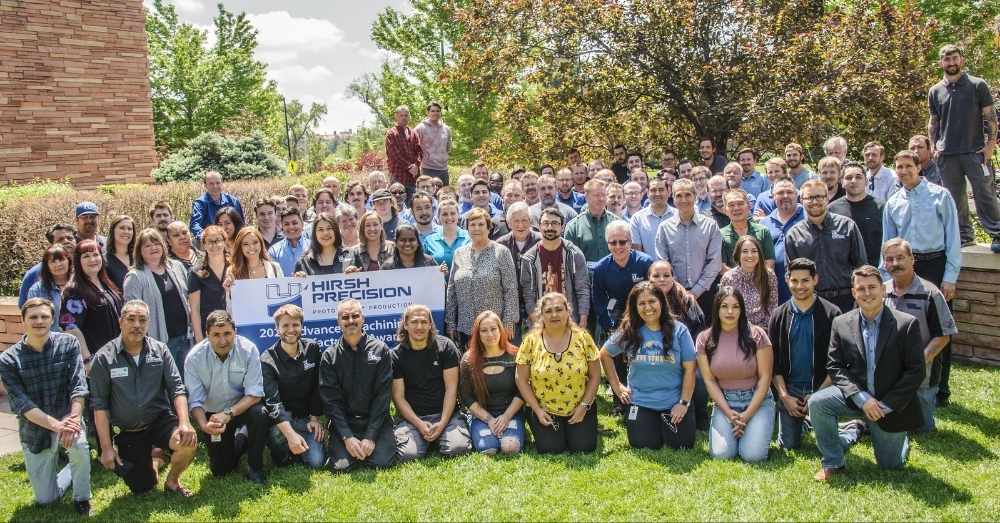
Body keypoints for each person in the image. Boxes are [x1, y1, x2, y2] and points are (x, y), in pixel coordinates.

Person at [808, 266, 925, 481]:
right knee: (817, 402)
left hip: (889, 406)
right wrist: (862, 399)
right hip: (855, 397)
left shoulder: (906, 324)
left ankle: (902, 439)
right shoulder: (841, 323)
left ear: (883, 290)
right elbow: (835, 366)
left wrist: (884, 405)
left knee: (891, 466)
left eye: (872, 287)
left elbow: (916, 372)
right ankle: (834, 461)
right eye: (861, 288)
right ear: (853, 292)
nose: (867, 293)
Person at [90, 300, 198, 497]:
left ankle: (173, 481)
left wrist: (184, 422)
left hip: (158, 420)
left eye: (142, 320)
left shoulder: (160, 350)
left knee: (187, 442)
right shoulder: (104, 358)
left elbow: (177, 389)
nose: (137, 325)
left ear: (148, 323)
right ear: (120, 321)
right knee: (143, 486)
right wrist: (106, 448)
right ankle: (156, 459)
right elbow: (100, 406)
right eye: (131, 319)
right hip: (129, 430)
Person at [0, 298, 91, 515]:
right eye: (33, 317)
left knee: (78, 446)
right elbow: (23, 404)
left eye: (44, 316)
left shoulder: (68, 344)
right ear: (23, 321)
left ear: (52, 320)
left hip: (69, 418)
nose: (39, 321)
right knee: (46, 500)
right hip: (35, 428)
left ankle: (82, 497)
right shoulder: (8, 360)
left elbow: (78, 386)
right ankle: (71, 470)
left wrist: (74, 420)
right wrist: (59, 427)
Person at [601, 282, 697, 449]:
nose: (648, 307)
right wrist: (617, 387)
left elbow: (690, 369)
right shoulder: (629, 330)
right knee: (643, 444)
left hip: (673, 401)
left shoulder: (679, 330)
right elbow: (604, 354)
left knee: (682, 444)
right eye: (642, 303)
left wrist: (683, 403)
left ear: (661, 302)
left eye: (652, 301)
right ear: (635, 307)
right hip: (641, 401)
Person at [185, 310, 269, 484]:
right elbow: (195, 401)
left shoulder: (248, 349)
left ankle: (255, 467)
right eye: (216, 335)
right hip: (213, 416)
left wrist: (229, 413)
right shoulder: (194, 358)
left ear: (235, 332)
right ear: (207, 334)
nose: (223, 341)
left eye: (227, 334)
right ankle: (243, 437)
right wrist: (204, 425)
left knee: (259, 413)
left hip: (241, 409)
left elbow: (254, 394)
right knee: (221, 469)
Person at [882, 239, 956, 433]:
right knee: (887, 424)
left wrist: (917, 363)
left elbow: (943, 336)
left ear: (912, 259)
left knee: (922, 429)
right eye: (889, 259)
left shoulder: (931, 293)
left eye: (900, 258)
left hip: (923, 372)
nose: (895, 263)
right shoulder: (881, 292)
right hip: (889, 372)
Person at [768, 258, 843, 450]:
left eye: (805, 280)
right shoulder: (778, 316)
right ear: (787, 280)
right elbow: (773, 363)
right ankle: (805, 423)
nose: (799, 286)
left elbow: (837, 362)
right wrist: (785, 397)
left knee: (829, 445)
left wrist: (817, 396)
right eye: (794, 281)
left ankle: (852, 429)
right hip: (790, 392)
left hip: (821, 389)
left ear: (815, 280)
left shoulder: (832, 314)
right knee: (789, 446)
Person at [696, 286, 775, 462]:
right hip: (725, 402)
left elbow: (765, 378)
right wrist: (730, 414)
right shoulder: (704, 339)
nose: (730, 311)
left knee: (752, 456)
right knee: (721, 455)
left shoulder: (757, 334)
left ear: (742, 309)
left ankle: (748, 431)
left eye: (736, 306)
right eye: (724, 306)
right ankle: (738, 432)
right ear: (716, 308)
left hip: (757, 400)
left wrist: (745, 416)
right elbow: (709, 381)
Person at [516, 292, 601, 454]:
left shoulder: (583, 338)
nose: (554, 314)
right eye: (548, 311)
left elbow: (596, 375)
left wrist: (584, 406)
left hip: (579, 406)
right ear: (541, 315)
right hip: (545, 409)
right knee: (551, 449)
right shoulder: (531, 341)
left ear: (568, 311)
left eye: (559, 309)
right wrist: (538, 410)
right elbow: (521, 379)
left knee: (583, 447)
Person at [320, 300, 397, 471]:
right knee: (341, 468)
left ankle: (376, 442)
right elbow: (331, 402)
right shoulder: (329, 355)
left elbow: (383, 396)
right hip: (346, 424)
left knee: (382, 463)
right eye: (345, 317)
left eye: (355, 316)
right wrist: (347, 437)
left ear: (363, 319)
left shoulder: (380, 350)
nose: (351, 321)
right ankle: (344, 445)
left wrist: (370, 437)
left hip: (375, 421)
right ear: (338, 322)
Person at [392, 305, 471, 461]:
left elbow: (451, 389)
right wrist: (420, 425)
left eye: (423, 322)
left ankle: (441, 435)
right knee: (408, 456)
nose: (419, 326)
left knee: (458, 449)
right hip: (412, 419)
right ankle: (429, 438)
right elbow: (398, 398)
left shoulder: (446, 347)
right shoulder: (396, 355)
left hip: (446, 415)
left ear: (430, 325)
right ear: (405, 325)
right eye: (414, 322)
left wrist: (442, 423)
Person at [881, 150, 961, 301]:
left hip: (935, 265)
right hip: (903, 266)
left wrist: (950, 277)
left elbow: (953, 238)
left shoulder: (941, 195)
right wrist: (886, 278)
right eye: (899, 167)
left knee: (936, 319)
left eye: (908, 166)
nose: (903, 171)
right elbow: (887, 244)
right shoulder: (892, 203)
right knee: (905, 318)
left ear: (918, 167)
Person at [785, 180, 868, 312]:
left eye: (819, 196)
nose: (814, 201)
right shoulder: (794, 235)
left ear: (827, 197)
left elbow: (861, 267)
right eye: (809, 197)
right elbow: (790, 274)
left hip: (846, 300)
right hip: (811, 302)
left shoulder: (847, 226)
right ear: (801, 200)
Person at [259, 304, 326, 469]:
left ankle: (302, 446)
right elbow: (272, 402)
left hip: (305, 420)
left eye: (295, 325)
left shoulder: (313, 348)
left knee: (316, 462)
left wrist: (314, 419)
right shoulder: (267, 359)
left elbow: (318, 388)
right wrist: (290, 435)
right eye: (285, 325)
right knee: (283, 461)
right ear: (277, 329)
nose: (291, 329)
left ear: (301, 326)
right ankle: (285, 448)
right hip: (281, 422)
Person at [446, 208, 519, 348]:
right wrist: (450, 323)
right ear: (467, 228)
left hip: (494, 329)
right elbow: (452, 291)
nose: (476, 228)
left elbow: (511, 290)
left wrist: (508, 322)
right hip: (466, 328)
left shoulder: (501, 252)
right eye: (472, 225)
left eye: (480, 224)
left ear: (488, 227)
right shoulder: (459, 254)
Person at [655, 179, 723, 323]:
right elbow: (662, 261)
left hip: (705, 293)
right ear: (673, 198)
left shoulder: (710, 226)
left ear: (695, 197)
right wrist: (679, 289)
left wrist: (695, 292)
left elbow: (715, 262)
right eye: (679, 195)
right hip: (673, 294)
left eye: (688, 195)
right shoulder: (664, 228)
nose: (683, 199)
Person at [123, 228, 192, 368]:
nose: (153, 247)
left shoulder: (177, 266)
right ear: (139, 251)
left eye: (156, 243)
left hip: (185, 337)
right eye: (147, 245)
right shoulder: (135, 276)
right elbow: (131, 315)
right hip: (157, 342)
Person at [460, 311, 525, 455]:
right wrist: (489, 419)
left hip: (511, 414)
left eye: (493, 329)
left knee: (510, 448)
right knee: (488, 449)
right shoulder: (468, 360)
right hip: (482, 415)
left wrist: (506, 417)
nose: (490, 334)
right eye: (484, 330)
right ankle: (474, 426)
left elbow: (522, 391)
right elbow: (466, 397)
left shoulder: (515, 355)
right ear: (477, 334)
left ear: (501, 330)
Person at [521, 208, 591, 327]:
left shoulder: (574, 254)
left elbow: (582, 289)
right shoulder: (529, 259)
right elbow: (528, 295)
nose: (550, 227)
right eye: (546, 223)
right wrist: (537, 323)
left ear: (562, 227)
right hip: (542, 322)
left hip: (570, 321)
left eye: (555, 223)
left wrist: (583, 321)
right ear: (539, 226)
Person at [59, 239, 123, 359]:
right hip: (95, 359)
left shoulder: (107, 284)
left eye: (95, 255)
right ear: (78, 261)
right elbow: (71, 328)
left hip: (116, 354)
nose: (92, 260)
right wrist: (87, 359)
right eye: (86, 256)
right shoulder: (74, 291)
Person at [593, 220, 655, 335]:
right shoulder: (600, 268)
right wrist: (609, 325)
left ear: (630, 242)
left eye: (622, 242)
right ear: (607, 243)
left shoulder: (645, 262)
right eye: (613, 243)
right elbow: (599, 301)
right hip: (616, 311)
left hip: (643, 310)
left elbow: (655, 294)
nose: (618, 247)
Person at [496, 201, 541, 342]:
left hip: (536, 301)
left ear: (531, 221)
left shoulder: (541, 241)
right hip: (509, 303)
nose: (520, 225)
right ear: (509, 223)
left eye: (524, 220)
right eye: (516, 221)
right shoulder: (500, 245)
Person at [829, 162, 883, 267]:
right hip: (842, 272)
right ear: (842, 182)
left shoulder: (881, 207)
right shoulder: (832, 209)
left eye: (858, 177)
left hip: (874, 271)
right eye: (848, 177)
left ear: (866, 181)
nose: (853, 181)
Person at [719, 236, 778, 329]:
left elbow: (772, 306)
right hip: (737, 330)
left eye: (754, 251)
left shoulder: (769, 275)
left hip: (764, 330)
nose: (750, 255)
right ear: (738, 254)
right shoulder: (728, 278)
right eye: (745, 251)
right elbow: (724, 309)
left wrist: (761, 330)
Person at [762, 179, 805, 303]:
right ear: (773, 196)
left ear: (797, 194)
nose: (785, 196)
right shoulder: (764, 223)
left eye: (790, 192)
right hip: (775, 293)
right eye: (780, 192)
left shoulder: (808, 217)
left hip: (805, 288)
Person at [18, 223, 76, 307]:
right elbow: (24, 307)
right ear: (52, 245)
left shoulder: (85, 268)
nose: (66, 241)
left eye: (70, 238)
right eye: (60, 239)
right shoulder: (34, 274)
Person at [188, 225, 228, 343]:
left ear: (225, 242)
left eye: (218, 241)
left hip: (233, 328)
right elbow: (194, 309)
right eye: (209, 242)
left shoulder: (234, 268)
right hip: (209, 330)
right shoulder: (196, 272)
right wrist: (199, 339)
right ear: (204, 244)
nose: (214, 245)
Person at [719, 189, 774, 270]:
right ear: (725, 210)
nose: (736, 208)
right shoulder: (720, 235)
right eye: (731, 205)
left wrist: (756, 279)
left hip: (760, 281)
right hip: (732, 281)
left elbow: (769, 263)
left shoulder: (763, 231)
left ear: (749, 206)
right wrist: (740, 280)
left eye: (740, 203)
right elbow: (722, 267)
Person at [564, 178, 617, 263]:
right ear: (586, 197)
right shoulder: (574, 227)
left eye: (604, 195)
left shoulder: (617, 223)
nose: (601, 198)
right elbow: (570, 260)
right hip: (585, 275)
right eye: (597, 195)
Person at [26, 245, 73, 332]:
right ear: (47, 265)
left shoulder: (78, 285)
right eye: (52, 261)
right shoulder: (37, 290)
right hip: (50, 341)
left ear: (69, 261)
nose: (58, 264)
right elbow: (32, 319)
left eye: (61, 259)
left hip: (79, 340)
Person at [190, 171, 244, 241]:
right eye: (211, 184)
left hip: (232, 240)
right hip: (211, 241)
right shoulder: (200, 203)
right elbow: (195, 224)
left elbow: (241, 224)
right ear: (205, 185)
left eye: (218, 183)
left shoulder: (233, 201)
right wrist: (206, 238)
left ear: (222, 184)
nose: (215, 186)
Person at [629, 177, 674, 255]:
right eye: (653, 190)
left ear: (668, 192)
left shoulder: (678, 215)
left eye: (661, 190)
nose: (657, 193)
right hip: (648, 266)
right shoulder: (637, 219)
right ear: (647, 193)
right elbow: (637, 252)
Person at [385, 105, 423, 195]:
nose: (404, 118)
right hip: (398, 176)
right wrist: (409, 167)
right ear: (396, 116)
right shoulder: (391, 133)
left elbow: (419, 151)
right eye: (401, 115)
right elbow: (394, 155)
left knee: (413, 204)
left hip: (413, 177)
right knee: (398, 203)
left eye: (406, 115)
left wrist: (416, 165)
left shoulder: (413, 133)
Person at [422, 199, 469, 272]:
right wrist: (436, 271)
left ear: (458, 215)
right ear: (438, 217)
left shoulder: (469, 237)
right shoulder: (429, 241)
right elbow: (424, 269)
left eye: (453, 213)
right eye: (445, 214)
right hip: (437, 282)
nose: (449, 217)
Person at [268, 207, 309, 276]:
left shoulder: (313, 246)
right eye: (286, 224)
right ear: (282, 227)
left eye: (295, 223)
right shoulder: (274, 251)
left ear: (302, 224)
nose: (291, 227)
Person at [862, 142, 898, 206]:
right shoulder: (863, 177)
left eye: (874, 155)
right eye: (867, 155)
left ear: (882, 157)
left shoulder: (892, 178)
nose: (870, 158)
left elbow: (893, 205)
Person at [104, 215, 134, 289]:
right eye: (122, 228)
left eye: (130, 229)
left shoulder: (139, 257)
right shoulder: (104, 261)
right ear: (113, 231)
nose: (126, 232)